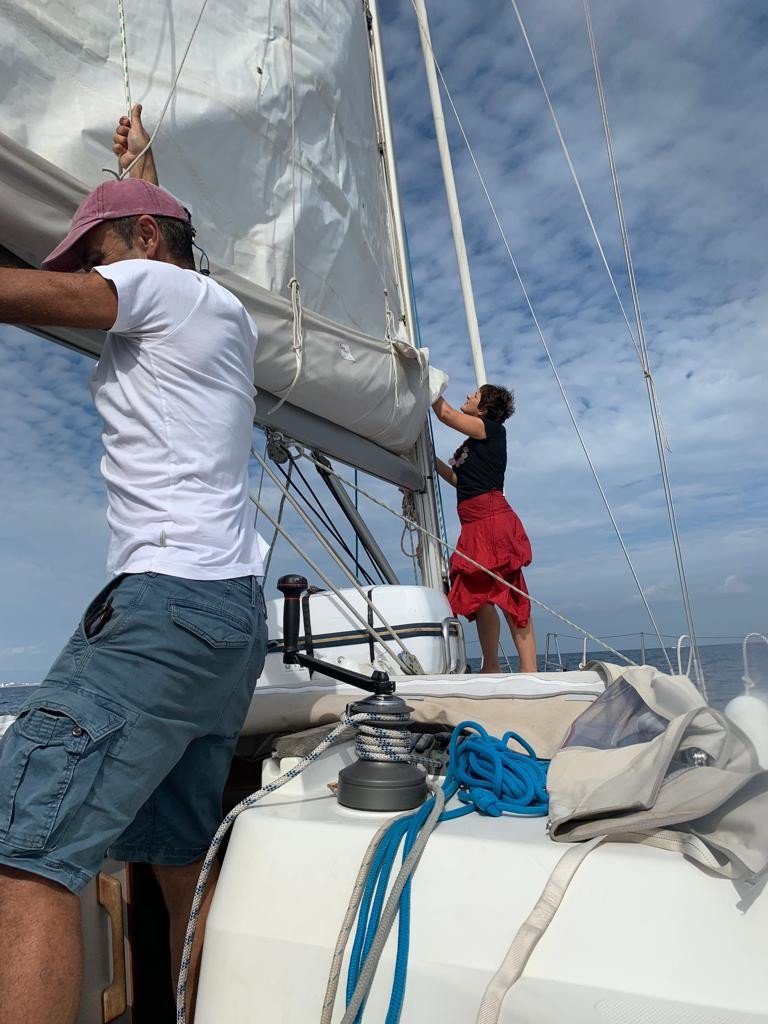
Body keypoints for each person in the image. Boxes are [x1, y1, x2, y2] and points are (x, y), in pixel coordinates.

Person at [0, 105, 268, 1024]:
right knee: (176, 854)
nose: (86, 274)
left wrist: (133, 234)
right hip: (227, 622)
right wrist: (141, 173)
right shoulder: (215, 309)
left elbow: (33, 294)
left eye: (95, 251)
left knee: (24, 851)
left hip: (164, 607)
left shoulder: (159, 288)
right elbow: (163, 244)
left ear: (146, 241)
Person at [432, 385, 537, 673]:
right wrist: (429, 459)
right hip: (473, 523)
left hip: (492, 519)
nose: (468, 396)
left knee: (509, 592)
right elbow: (459, 480)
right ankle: (491, 665)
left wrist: (426, 382)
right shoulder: (474, 442)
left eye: (474, 396)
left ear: (484, 409)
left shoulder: (490, 430)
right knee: (478, 595)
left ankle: (530, 671)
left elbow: (445, 414)